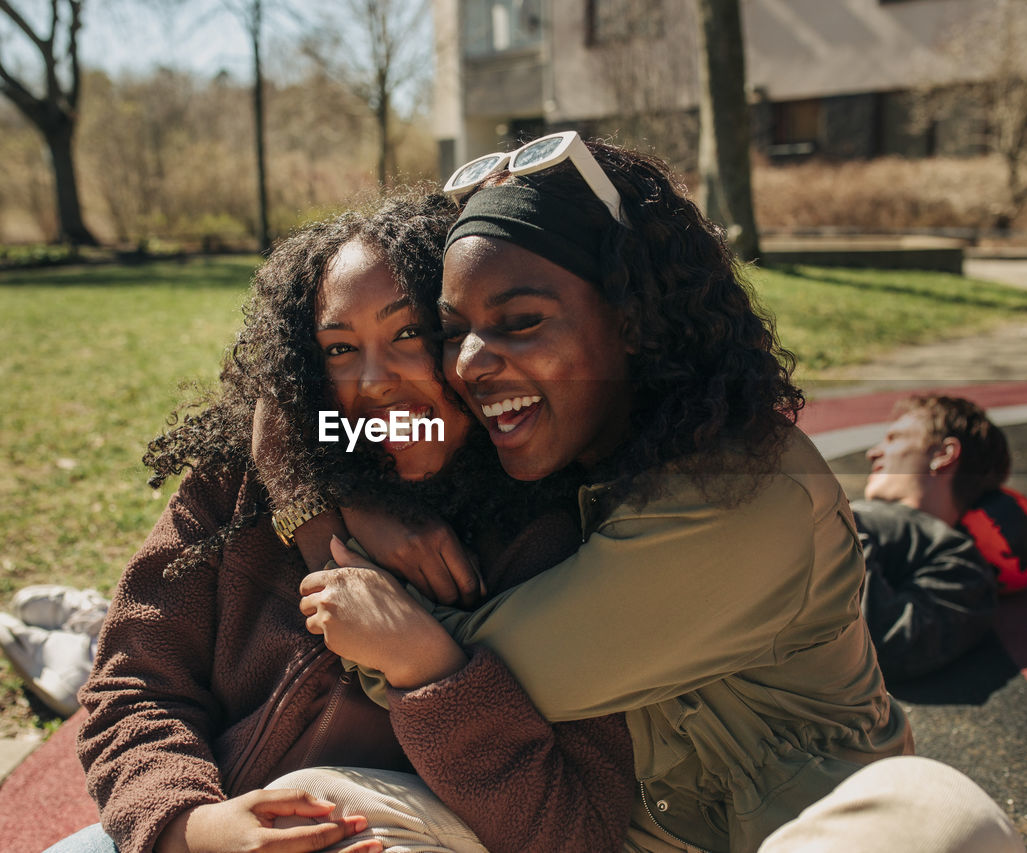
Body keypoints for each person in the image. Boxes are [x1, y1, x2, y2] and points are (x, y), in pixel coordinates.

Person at [294, 134, 921, 853]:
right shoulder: (576, 432)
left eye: (521, 321)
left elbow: (472, 670)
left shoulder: (749, 489)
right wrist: (327, 492)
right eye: (453, 329)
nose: (468, 363)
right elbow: (330, 412)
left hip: (813, 835)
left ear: (630, 320)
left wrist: (326, 547)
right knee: (319, 810)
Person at [53, 190, 634, 853]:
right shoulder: (235, 485)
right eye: (338, 348)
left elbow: (576, 830)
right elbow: (134, 683)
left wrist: (427, 671)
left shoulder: (551, 536)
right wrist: (195, 826)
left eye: (409, 333)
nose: (375, 379)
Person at [856, 395, 1011, 681]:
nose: (872, 453)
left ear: (944, 454)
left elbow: (887, 644)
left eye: (894, 438)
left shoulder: (956, 560)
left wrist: (837, 527)